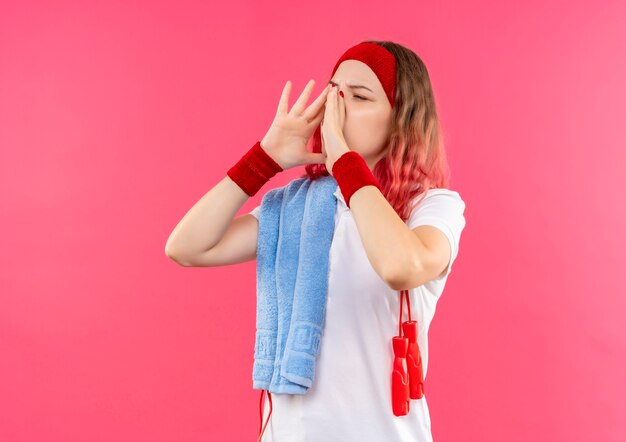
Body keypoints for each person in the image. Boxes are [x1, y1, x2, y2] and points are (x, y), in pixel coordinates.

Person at [165, 40, 466, 442]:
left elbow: (400, 266)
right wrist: (264, 159)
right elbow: (186, 247)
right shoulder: (294, 208)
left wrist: (345, 162)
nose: (336, 111)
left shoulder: (430, 207)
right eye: (334, 93)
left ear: (401, 119)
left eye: (358, 97)